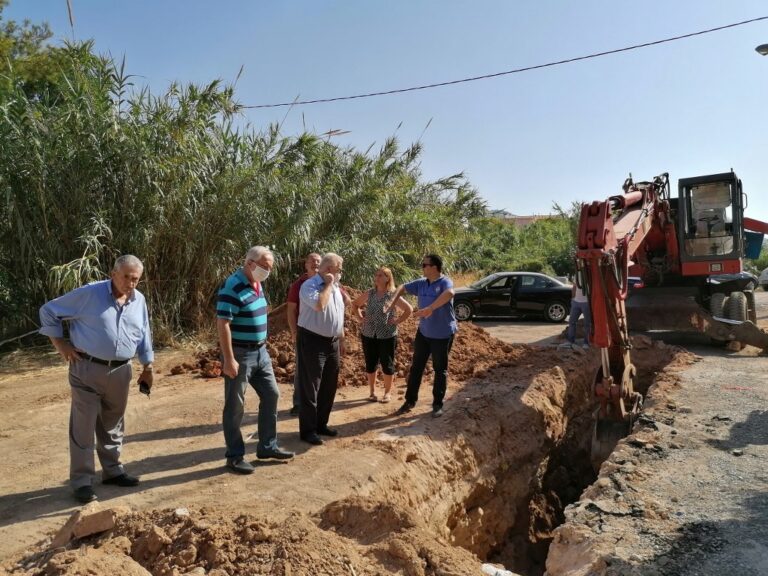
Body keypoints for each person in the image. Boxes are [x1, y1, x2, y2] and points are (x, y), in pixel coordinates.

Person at [39, 255, 154, 504]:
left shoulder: (139, 300)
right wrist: (61, 345)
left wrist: (148, 365)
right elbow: (48, 311)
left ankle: (112, 471)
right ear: (113, 273)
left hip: (122, 372)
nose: (130, 283)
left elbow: (145, 332)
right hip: (87, 369)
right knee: (84, 426)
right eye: (126, 277)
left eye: (135, 279)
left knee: (113, 423)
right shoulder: (89, 294)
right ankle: (82, 482)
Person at [217, 246, 294, 475]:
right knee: (235, 406)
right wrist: (229, 359)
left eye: (269, 268)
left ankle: (267, 446)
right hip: (239, 354)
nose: (268, 272)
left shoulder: (257, 283)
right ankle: (234, 456)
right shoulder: (232, 286)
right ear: (250, 263)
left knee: (272, 394)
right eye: (265, 267)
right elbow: (223, 323)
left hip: (261, 352)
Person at [387, 254, 457, 418]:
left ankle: (437, 404)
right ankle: (409, 401)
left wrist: (430, 309)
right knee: (416, 367)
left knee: (440, 370)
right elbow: (402, 287)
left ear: (434, 267)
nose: (422, 267)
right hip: (424, 333)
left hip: (442, 334)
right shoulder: (421, 283)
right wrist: (393, 300)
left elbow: (450, 293)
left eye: (424, 265)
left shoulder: (444, 281)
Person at [296, 252, 345, 445]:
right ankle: (308, 430)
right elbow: (319, 305)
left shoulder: (336, 287)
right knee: (311, 387)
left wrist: (341, 338)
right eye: (339, 269)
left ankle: (321, 424)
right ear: (329, 270)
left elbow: (339, 314)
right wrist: (328, 284)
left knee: (329, 385)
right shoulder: (309, 286)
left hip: (332, 342)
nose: (341, 273)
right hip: (312, 341)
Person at [351, 267, 412, 403]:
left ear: (387, 279)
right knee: (371, 363)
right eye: (376, 275)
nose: (377, 277)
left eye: (381, 275)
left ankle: (387, 393)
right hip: (368, 334)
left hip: (387, 335)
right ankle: (372, 392)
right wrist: (360, 318)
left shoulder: (393, 295)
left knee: (387, 364)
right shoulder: (370, 293)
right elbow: (355, 305)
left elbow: (409, 309)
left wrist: (397, 321)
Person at [286, 252, 322, 415]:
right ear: (306, 264)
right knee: (302, 368)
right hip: (305, 331)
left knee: (321, 369)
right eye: (312, 261)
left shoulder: (327, 283)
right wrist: (294, 331)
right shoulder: (298, 285)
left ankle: (317, 402)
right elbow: (291, 310)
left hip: (323, 332)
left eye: (318, 261)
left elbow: (346, 300)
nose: (315, 263)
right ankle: (299, 403)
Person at [563, 281, 591, 349]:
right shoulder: (577, 273)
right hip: (576, 302)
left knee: (587, 324)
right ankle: (570, 341)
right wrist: (573, 299)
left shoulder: (589, 274)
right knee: (572, 322)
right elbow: (574, 286)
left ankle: (586, 343)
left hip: (586, 302)